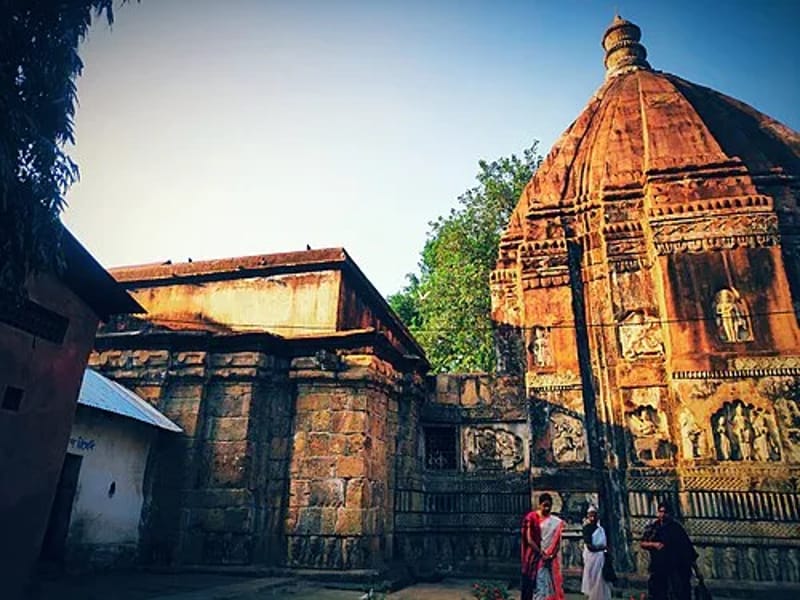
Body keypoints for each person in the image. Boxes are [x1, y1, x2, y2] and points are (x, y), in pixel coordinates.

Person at [640, 501, 698, 600]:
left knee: (679, 593)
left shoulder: (676, 528)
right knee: (658, 593)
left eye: (665, 512)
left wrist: (696, 570)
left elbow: (687, 549)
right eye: (660, 512)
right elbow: (643, 543)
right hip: (659, 567)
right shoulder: (654, 527)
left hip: (677, 568)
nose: (662, 515)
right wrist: (654, 544)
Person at [520, 493, 564, 600]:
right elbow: (529, 540)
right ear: (539, 505)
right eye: (545, 505)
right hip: (534, 557)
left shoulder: (556, 522)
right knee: (535, 584)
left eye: (549, 506)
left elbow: (558, 541)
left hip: (550, 558)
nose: (547, 508)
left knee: (548, 587)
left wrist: (551, 555)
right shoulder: (532, 518)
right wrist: (541, 554)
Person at [581, 506, 612, 600]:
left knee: (601, 579)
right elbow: (590, 546)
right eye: (590, 515)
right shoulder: (586, 528)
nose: (593, 517)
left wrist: (605, 550)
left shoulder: (601, 529)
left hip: (601, 557)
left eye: (594, 515)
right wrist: (602, 548)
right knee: (592, 578)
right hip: (591, 558)